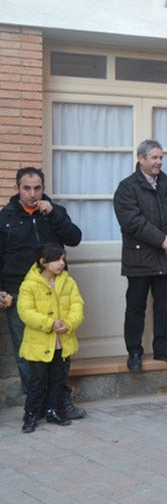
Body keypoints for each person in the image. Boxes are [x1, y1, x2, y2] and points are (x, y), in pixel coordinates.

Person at [0, 167, 86, 420]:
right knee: (28, 353)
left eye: (37, 188)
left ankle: (60, 402)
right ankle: (36, 404)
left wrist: (55, 214)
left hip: (56, 290)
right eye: (27, 188)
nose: (32, 193)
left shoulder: (53, 213)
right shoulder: (6, 217)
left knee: (61, 350)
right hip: (20, 293)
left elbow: (75, 238)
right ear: (17, 188)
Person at [113, 139, 167, 371]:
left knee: (165, 305)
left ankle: (163, 348)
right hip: (139, 260)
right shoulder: (127, 187)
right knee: (136, 308)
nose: (159, 162)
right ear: (141, 159)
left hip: (166, 258)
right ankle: (134, 351)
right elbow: (132, 222)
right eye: (154, 158)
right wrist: (162, 240)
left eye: (160, 157)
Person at [18, 243, 84, 433]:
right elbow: (25, 312)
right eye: (57, 260)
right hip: (39, 344)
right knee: (37, 381)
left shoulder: (68, 282)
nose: (61, 264)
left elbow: (77, 306)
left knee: (58, 379)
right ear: (43, 262)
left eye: (63, 259)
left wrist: (69, 323)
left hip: (62, 342)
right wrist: (49, 323)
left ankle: (53, 410)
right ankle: (30, 414)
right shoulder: (29, 285)